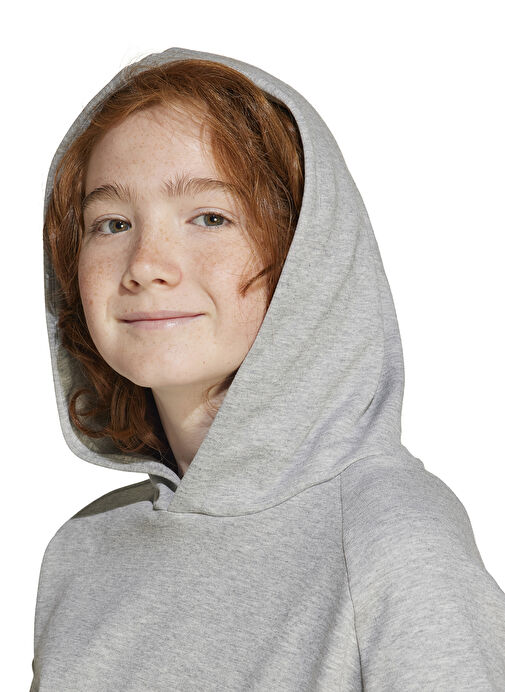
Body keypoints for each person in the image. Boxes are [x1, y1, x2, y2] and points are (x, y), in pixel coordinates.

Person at [30, 46, 505, 691]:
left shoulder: (390, 537)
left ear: (308, 250)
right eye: (111, 223)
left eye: (210, 217)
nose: (145, 264)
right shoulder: (80, 555)